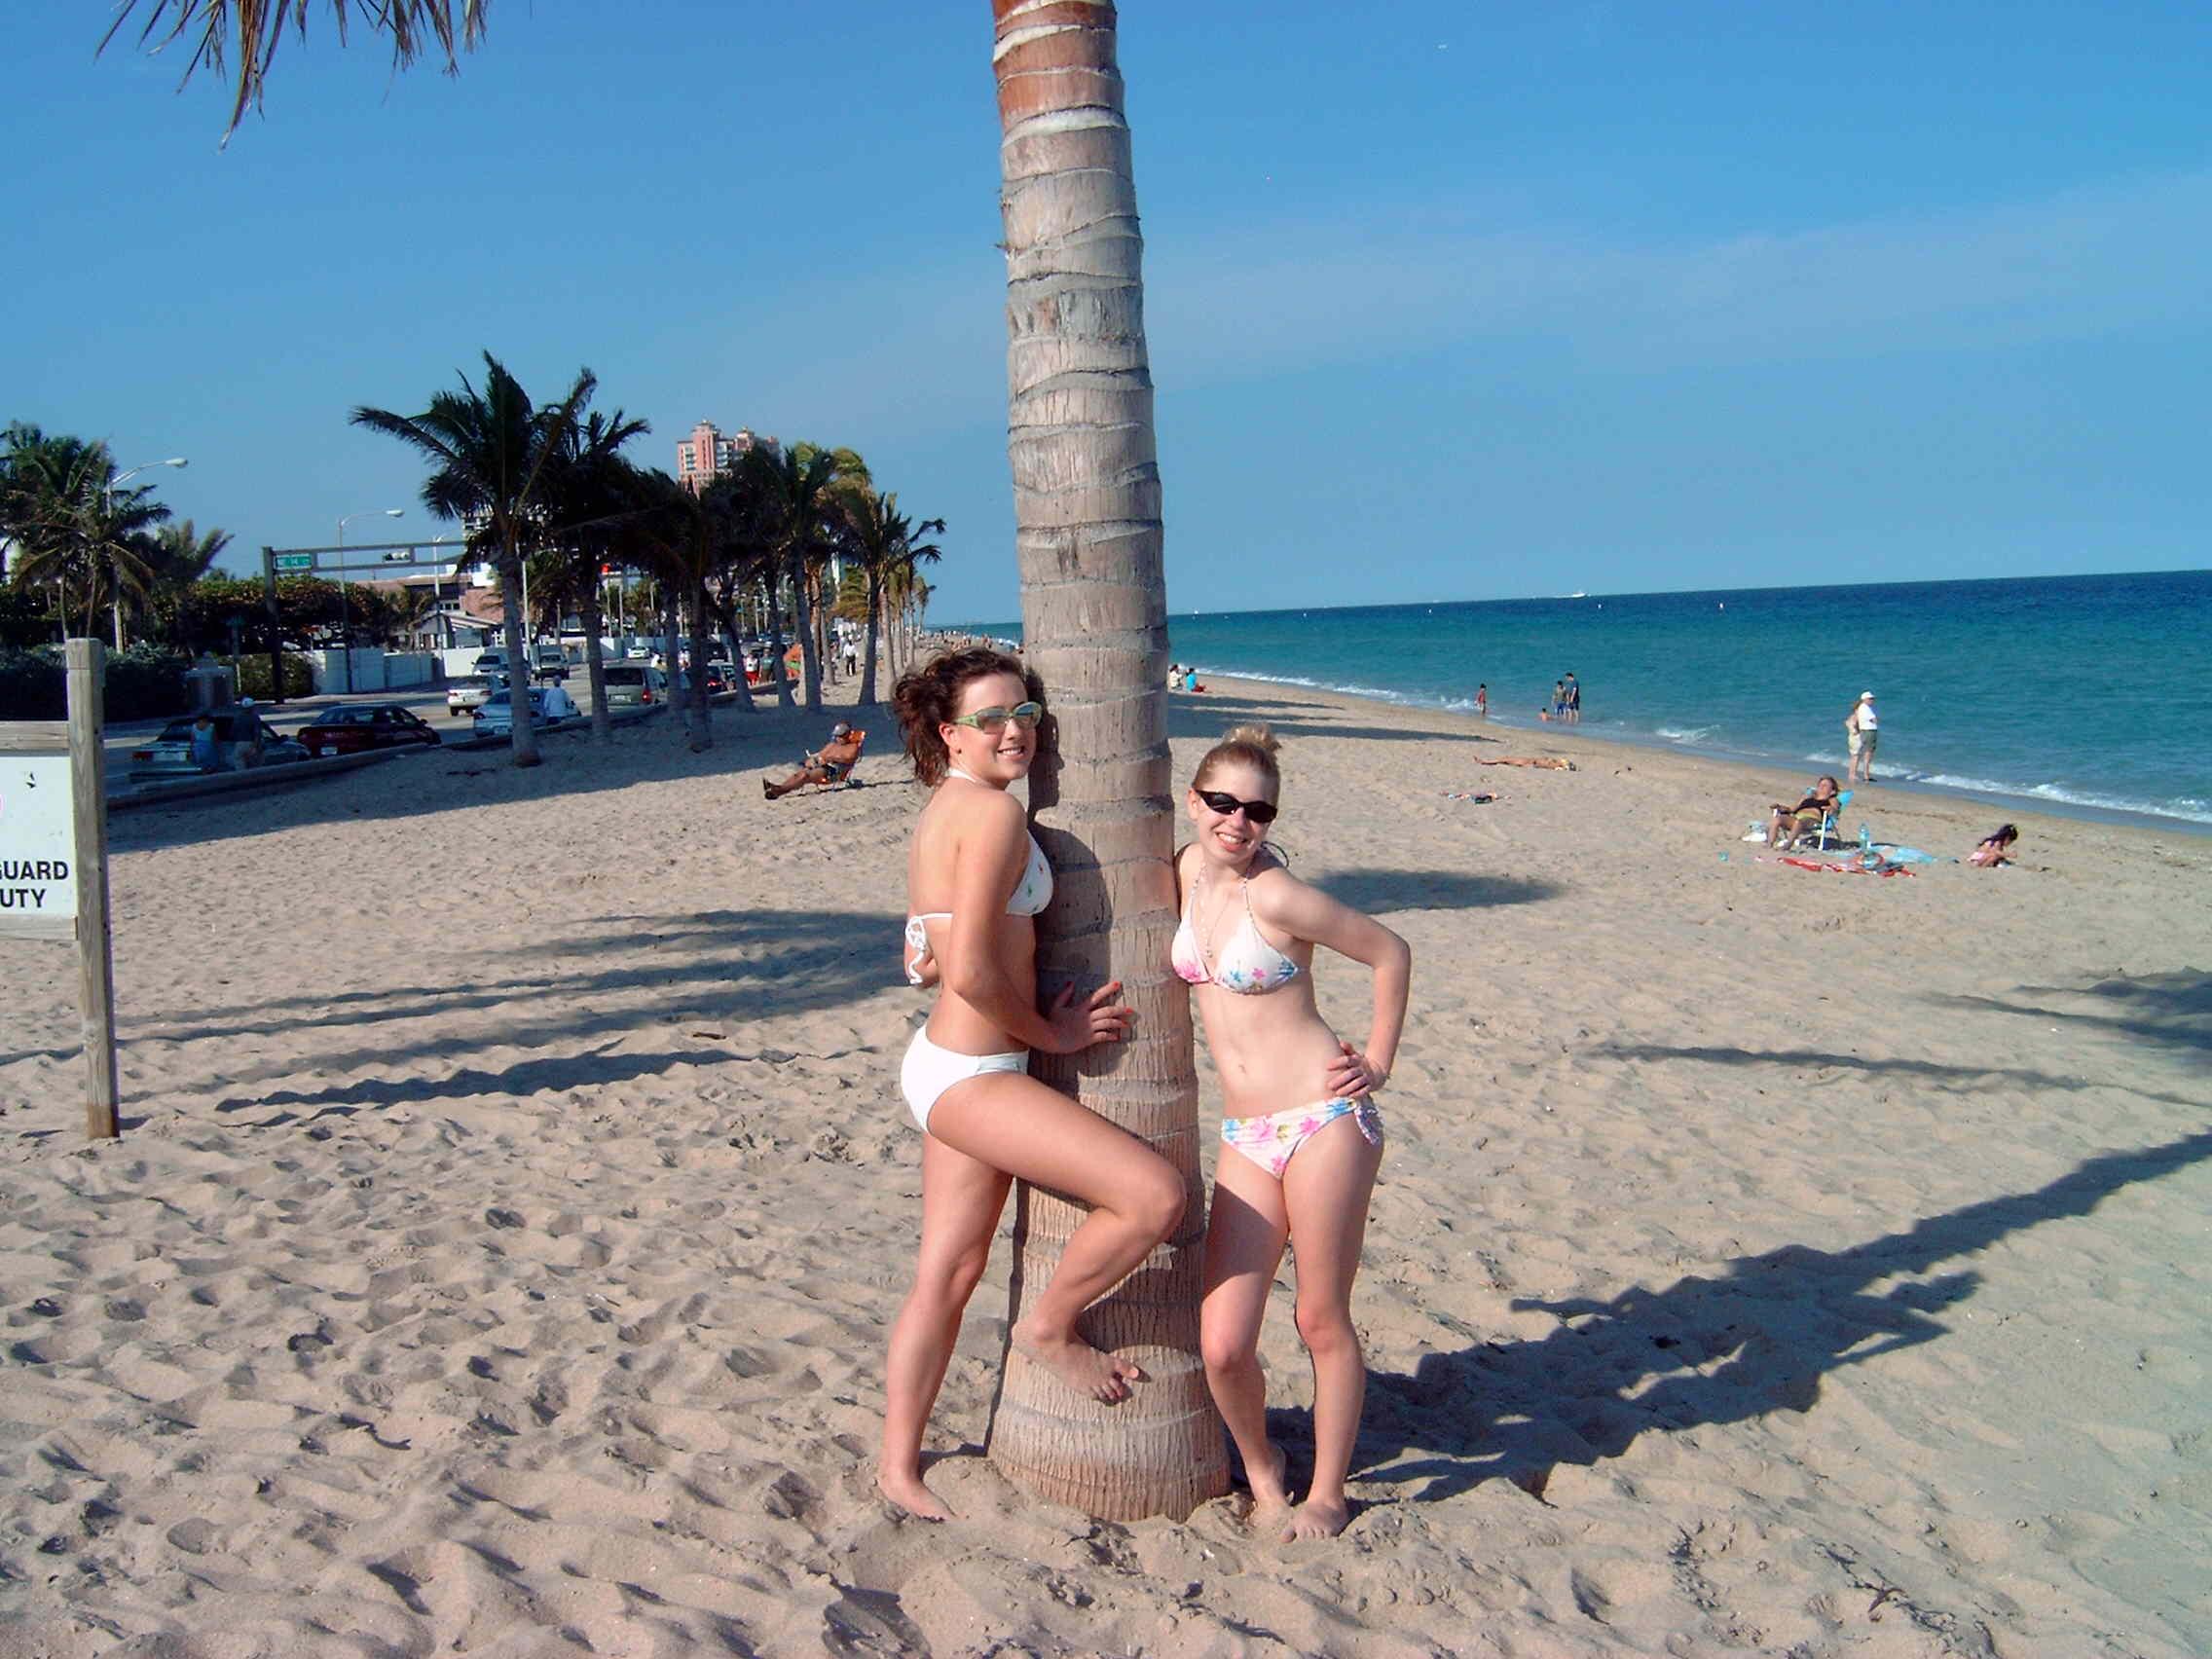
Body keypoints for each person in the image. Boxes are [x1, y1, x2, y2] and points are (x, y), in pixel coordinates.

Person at [878, 647, 1183, 1522]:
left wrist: (927, 952)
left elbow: (932, 943)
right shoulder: (993, 816)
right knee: (1153, 1196)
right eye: (989, 719)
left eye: (1025, 713)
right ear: (950, 735)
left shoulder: (950, 808)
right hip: (974, 1075)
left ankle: (898, 1466)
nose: (1014, 731)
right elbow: (972, 970)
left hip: (954, 1066)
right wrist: (1057, 1033)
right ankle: (1049, 1327)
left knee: (949, 1271)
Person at [1176, 724, 1412, 1541]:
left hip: (1323, 1121)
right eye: (1223, 803)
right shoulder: (1183, 870)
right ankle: (1264, 1466)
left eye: (1258, 811)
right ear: (1193, 801)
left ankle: (1329, 1492)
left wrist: (1377, 1059)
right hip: (1246, 1133)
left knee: (1319, 1317)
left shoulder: (1276, 895)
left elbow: (1390, 951)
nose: (1238, 822)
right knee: (1222, 1344)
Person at [762, 721, 866, 799]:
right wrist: (813, 760)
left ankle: (779, 790)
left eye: (840, 736)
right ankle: (778, 789)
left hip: (832, 771)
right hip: (821, 766)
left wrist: (831, 758)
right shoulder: (832, 745)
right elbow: (821, 755)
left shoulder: (852, 746)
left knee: (804, 776)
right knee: (799, 775)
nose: (838, 738)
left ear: (847, 735)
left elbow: (850, 758)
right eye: (837, 736)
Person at [1767, 775, 1843, 850]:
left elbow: (1835, 809)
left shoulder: (1832, 800)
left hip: (1813, 820)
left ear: (1832, 791)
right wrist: (1779, 807)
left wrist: (1831, 809)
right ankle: (1769, 844)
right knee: (1778, 819)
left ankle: (1787, 845)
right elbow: (1791, 809)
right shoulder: (1807, 797)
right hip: (1796, 817)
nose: (1821, 787)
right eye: (1820, 785)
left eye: (1825, 785)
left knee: (1799, 822)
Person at [1845, 690, 1880, 784]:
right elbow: (1849, 723)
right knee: (1858, 755)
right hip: (1857, 736)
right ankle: (1856, 775)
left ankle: (1853, 774)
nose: (1872, 700)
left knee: (1856, 755)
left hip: (1857, 735)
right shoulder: (1863, 709)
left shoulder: (1860, 710)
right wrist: (1854, 730)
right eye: (1870, 699)